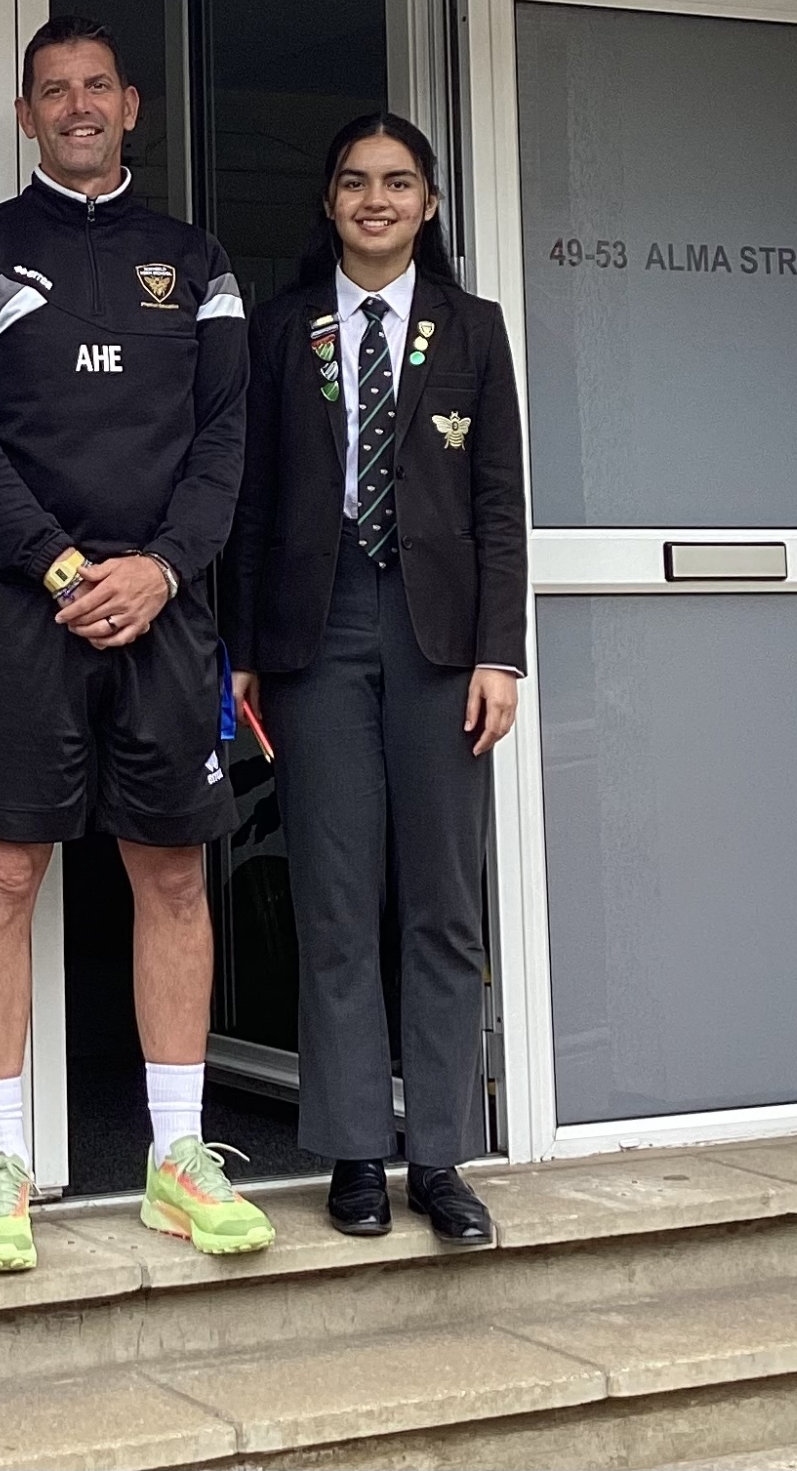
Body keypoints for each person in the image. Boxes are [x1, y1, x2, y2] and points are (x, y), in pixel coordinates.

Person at [0, 14, 271, 1274]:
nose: (76, 107)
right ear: (25, 117)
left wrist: (163, 567)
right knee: (4, 876)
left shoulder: (198, 258)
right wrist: (67, 567)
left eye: (95, 88)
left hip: (167, 611)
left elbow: (226, 437)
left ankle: (175, 1158)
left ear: (132, 106)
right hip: (29, 611)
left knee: (171, 874)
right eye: (51, 92)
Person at [227, 114, 527, 1246]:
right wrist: (244, 646)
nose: (376, 200)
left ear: (432, 204)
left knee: (444, 903)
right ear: (329, 202)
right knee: (337, 897)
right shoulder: (280, 330)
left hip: (441, 639)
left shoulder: (475, 330)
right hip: (317, 631)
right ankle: (356, 1148)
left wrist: (501, 652)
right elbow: (252, 504)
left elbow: (501, 501)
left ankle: (440, 1155)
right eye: (354, 181)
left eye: (399, 183)